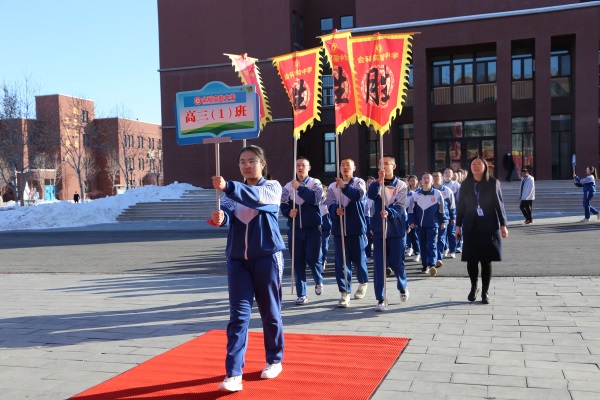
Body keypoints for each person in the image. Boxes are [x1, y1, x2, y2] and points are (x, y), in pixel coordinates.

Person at [210, 145, 286, 392]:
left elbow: (256, 199)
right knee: (238, 317)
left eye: (251, 161)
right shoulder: (232, 194)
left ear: (262, 164)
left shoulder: (272, 188)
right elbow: (231, 215)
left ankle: (274, 359)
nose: (246, 165)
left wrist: (228, 186)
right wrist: (221, 219)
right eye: (242, 162)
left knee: (270, 313)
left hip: (266, 258)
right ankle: (233, 374)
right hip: (237, 262)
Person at [455, 156, 508, 305]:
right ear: (470, 167)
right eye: (473, 164)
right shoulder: (465, 184)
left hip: (488, 226)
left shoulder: (493, 183)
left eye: (479, 164)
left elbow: (500, 205)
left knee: (486, 260)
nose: (476, 166)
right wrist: (458, 226)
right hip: (470, 226)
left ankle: (485, 291)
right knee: (471, 260)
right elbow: (461, 208)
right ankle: (474, 287)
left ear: (485, 166)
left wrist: (503, 225)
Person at [325, 157, 369, 307]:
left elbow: (358, 196)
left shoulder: (359, 182)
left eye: (348, 165)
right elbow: (329, 204)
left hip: (356, 228)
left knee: (359, 260)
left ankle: (363, 282)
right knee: (342, 263)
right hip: (339, 230)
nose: (345, 167)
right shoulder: (332, 186)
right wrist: (334, 211)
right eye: (342, 165)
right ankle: (345, 293)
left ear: (354, 168)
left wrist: (343, 187)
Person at [367, 155, 408, 311]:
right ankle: (381, 298)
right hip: (379, 230)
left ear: (394, 166)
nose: (383, 167)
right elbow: (370, 196)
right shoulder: (376, 184)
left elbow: (401, 206)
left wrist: (389, 212)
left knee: (397, 263)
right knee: (379, 266)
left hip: (396, 229)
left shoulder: (402, 185)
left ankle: (402, 286)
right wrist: (378, 181)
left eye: (386, 164)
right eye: (380, 164)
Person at [280, 156, 324, 305]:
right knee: (297, 262)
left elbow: (316, 199)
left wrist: (300, 188)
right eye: (298, 165)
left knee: (313, 259)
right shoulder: (288, 186)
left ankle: (318, 280)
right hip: (295, 229)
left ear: (309, 168)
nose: (300, 168)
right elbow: (283, 204)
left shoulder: (315, 183)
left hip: (312, 228)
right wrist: (288, 212)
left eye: (303, 165)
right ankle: (302, 293)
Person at [407, 173, 447, 277]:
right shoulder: (416, 195)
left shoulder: (437, 194)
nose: (426, 180)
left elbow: (442, 209)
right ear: (421, 181)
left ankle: (432, 264)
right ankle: (425, 265)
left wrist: (443, 221)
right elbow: (411, 210)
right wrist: (411, 221)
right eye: (424, 178)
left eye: (428, 178)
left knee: (432, 244)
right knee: (423, 246)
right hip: (420, 226)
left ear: (432, 181)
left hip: (433, 225)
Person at [432, 171, 456, 268]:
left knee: (441, 238)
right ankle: (432, 258)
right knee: (433, 239)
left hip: (444, 219)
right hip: (432, 219)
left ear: (441, 178)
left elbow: (452, 206)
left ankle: (439, 258)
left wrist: (453, 217)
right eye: (434, 176)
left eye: (438, 176)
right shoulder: (428, 190)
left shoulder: (447, 191)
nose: (436, 178)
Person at [443, 168, 460, 258]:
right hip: (442, 212)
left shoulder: (456, 185)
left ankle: (452, 250)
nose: (447, 174)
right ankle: (445, 248)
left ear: (452, 174)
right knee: (443, 232)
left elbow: (459, 199)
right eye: (446, 172)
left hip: (452, 211)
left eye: (449, 172)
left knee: (451, 232)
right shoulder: (440, 185)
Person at [405, 175, 421, 262]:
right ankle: (414, 250)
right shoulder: (406, 192)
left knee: (417, 235)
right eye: (410, 181)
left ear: (417, 181)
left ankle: (418, 252)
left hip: (417, 214)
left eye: (414, 180)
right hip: (408, 214)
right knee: (411, 235)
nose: (412, 182)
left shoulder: (420, 191)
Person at [319, 185, 331, 270]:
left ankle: (323, 260)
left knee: (324, 244)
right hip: (317, 224)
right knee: (317, 245)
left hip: (326, 225)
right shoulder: (316, 201)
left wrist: (325, 200)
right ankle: (319, 261)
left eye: (323, 191)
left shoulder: (328, 201)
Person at [364, 176, 376, 263]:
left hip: (374, 217)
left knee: (375, 237)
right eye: (368, 183)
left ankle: (376, 255)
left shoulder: (377, 194)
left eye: (372, 182)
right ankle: (368, 255)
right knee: (367, 237)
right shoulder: (363, 194)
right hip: (366, 217)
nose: (370, 184)